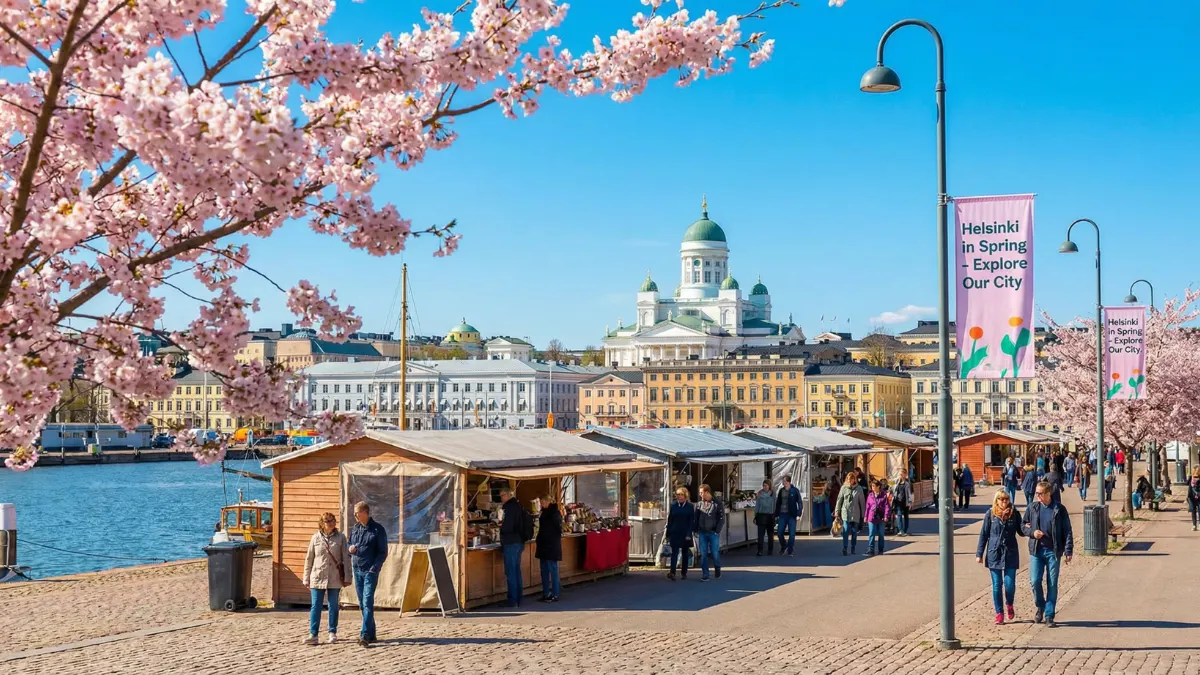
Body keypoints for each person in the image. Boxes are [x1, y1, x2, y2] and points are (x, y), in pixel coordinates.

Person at [1021, 480, 1074, 628]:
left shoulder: (1059, 509)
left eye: (1040, 493)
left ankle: (1049, 615)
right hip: (1036, 550)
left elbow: (1067, 530)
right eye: (1036, 493)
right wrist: (1032, 532)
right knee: (1034, 581)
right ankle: (1040, 606)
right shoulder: (1032, 507)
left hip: (1053, 551)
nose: (1037, 495)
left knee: (1052, 583)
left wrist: (1068, 550)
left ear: (1048, 493)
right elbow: (1023, 526)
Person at [302, 511, 350, 645]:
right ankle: (313, 634)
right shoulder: (315, 538)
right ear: (322, 524)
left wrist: (347, 576)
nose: (331, 523)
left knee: (333, 605)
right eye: (327, 521)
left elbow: (346, 558)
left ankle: (332, 632)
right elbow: (309, 558)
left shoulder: (341, 537)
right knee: (316, 606)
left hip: (334, 576)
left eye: (332, 520)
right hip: (317, 576)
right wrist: (306, 577)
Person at [976, 490, 1023, 625]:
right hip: (994, 553)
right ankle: (999, 613)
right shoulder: (990, 514)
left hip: (1010, 552)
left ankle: (1009, 604)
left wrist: (1030, 528)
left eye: (1006, 499)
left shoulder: (1014, 513)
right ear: (996, 501)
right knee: (997, 585)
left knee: (1009, 584)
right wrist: (979, 553)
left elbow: (1021, 531)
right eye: (1001, 499)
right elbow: (984, 534)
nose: (1004, 501)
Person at [348, 501, 388, 646]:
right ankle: (372, 633)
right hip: (357, 569)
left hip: (370, 570)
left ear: (365, 512)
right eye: (354, 513)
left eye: (357, 513)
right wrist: (349, 548)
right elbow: (349, 543)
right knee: (362, 603)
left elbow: (383, 552)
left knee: (367, 601)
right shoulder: (356, 528)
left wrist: (374, 568)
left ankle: (364, 634)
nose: (355, 516)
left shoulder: (377, 529)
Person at [499, 488, 526, 608]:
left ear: (509, 495)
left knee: (511, 572)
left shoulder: (509, 508)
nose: (501, 498)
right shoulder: (518, 505)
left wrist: (500, 526)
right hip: (519, 541)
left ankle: (513, 599)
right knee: (516, 570)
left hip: (510, 542)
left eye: (502, 495)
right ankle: (518, 598)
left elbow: (508, 527)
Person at [693, 483, 724, 581]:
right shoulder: (699, 504)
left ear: (707, 492)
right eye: (700, 493)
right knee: (703, 554)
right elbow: (696, 518)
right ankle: (705, 574)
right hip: (702, 532)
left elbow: (721, 518)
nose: (700, 495)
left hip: (713, 532)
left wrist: (717, 531)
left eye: (701, 492)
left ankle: (717, 568)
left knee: (715, 553)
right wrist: (695, 530)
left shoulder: (717, 503)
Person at [535, 494, 562, 603]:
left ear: (548, 501)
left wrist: (549, 537)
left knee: (552, 569)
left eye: (543, 502)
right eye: (541, 502)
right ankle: (546, 593)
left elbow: (558, 528)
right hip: (544, 544)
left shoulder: (554, 513)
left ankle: (555, 593)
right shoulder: (544, 512)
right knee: (544, 571)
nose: (541, 504)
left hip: (551, 544)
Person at [665, 487, 695, 580]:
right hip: (675, 532)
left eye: (682, 494)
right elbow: (670, 520)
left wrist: (689, 534)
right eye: (678, 495)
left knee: (685, 553)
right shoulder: (673, 505)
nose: (680, 496)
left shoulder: (690, 506)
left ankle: (684, 573)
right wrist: (668, 534)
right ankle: (672, 572)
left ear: (685, 496)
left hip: (685, 533)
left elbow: (691, 521)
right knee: (674, 552)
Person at [835, 471, 866, 556]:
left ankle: (853, 547)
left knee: (854, 532)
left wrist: (863, 515)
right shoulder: (843, 488)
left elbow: (862, 502)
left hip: (855, 513)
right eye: (848, 479)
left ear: (854, 479)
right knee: (845, 530)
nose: (850, 481)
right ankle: (845, 547)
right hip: (846, 512)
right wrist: (837, 511)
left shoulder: (859, 488)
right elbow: (839, 500)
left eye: (851, 479)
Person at [774, 475, 801, 556]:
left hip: (792, 514)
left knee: (792, 534)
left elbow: (799, 502)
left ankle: (790, 550)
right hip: (782, 514)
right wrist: (776, 514)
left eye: (785, 481)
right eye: (783, 481)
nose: (784, 483)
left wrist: (798, 513)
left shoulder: (794, 490)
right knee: (779, 532)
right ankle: (784, 545)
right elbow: (778, 503)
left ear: (789, 482)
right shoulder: (781, 491)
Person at [864, 479, 891, 556]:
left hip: (881, 517)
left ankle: (880, 550)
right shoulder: (870, 495)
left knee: (881, 534)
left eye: (874, 486)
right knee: (871, 533)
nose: (872, 488)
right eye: (872, 486)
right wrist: (865, 516)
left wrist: (886, 516)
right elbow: (867, 507)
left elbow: (887, 506)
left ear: (878, 486)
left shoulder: (884, 495)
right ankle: (871, 550)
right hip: (871, 517)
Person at [754, 479, 776, 557]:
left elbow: (775, 504)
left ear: (769, 486)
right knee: (760, 535)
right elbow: (757, 505)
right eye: (763, 485)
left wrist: (775, 515)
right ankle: (760, 550)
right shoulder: (759, 494)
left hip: (770, 515)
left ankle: (770, 550)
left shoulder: (773, 494)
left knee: (770, 534)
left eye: (766, 485)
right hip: (761, 515)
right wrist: (755, 515)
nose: (764, 487)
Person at [892, 471, 913, 537]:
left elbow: (910, 493)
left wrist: (910, 502)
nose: (900, 475)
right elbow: (893, 490)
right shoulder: (897, 482)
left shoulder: (907, 483)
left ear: (905, 475)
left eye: (901, 474)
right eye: (899, 474)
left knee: (906, 516)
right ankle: (901, 530)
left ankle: (905, 530)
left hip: (905, 502)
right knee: (899, 515)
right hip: (898, 502)